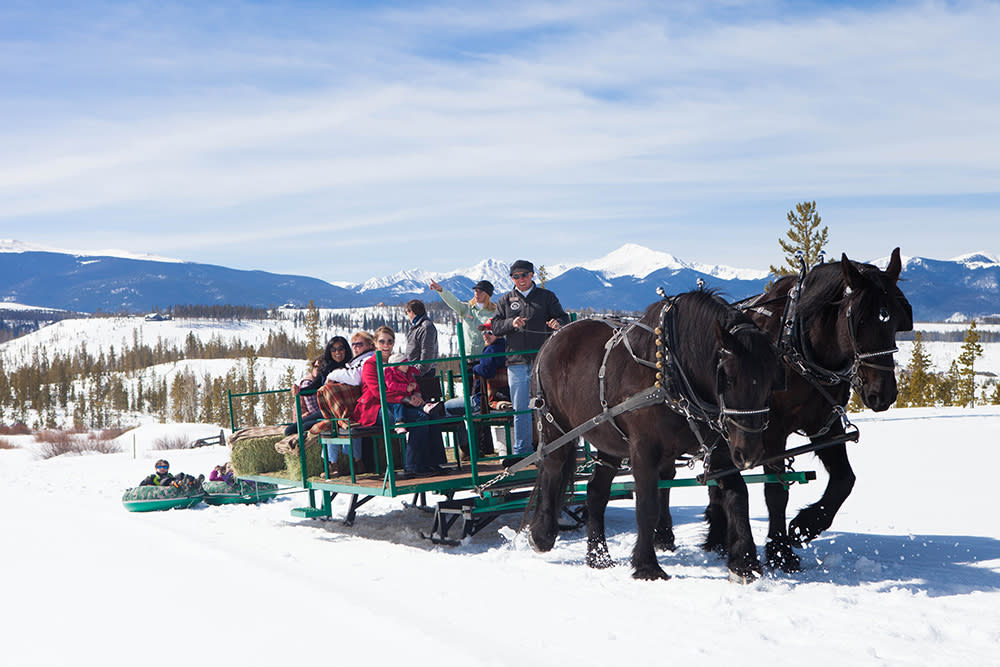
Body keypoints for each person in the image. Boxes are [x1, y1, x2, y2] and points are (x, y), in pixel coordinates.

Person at [491, 259, 570, 464]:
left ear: (532, 275)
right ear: (511, 279)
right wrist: (511, 323)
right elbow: (496, 326)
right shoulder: (505, 300)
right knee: (521, 409)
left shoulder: (546, 297)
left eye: (524, 275)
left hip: (543, 360)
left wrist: (557, 323)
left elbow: (563, 318)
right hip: (516, 361)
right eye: (515, 276)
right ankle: (522, 451)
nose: (520, 280)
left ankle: (550, 447)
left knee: (548, 406)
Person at [353, 326, 446, 478]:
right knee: (419, 417)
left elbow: (410, 379)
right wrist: (406, 398)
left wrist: (416, 394)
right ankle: (413, 465)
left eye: (389, 341)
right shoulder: (371, 365)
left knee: (432, 414)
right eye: (382, 341)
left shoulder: (397, 361)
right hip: (376, 408)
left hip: (400, 405)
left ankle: (433, 462)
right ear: (375, 343)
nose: (386, 345)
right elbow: (378, 392)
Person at [444, 327, 507, 458]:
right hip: (500, 396)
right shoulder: (506, 348)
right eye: (484, 332)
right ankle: (471, 448)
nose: (485, 335)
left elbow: (486, 370)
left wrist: (475, 368)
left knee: (446, 407)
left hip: (483, 400)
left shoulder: (491, 350)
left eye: (490, 332)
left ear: (499, 334)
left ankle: (467, 448)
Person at [320, 331, 376, 477]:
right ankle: (349, 461)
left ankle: (339, 462)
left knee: (336, 422)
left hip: (362, 404)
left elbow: (356, 378)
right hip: (348, 405)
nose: (356, 347)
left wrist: (332, 376)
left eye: (360, 344)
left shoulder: (367, 359)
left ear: (370, 345)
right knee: (334, 421)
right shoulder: (353, 362)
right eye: (354, 344)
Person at [283, 337, 353, 436]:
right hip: (326, 410)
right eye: (333, 349)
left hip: (341, 412)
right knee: (290, 430)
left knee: (305, 428)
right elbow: (315, 386)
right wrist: (300, 390)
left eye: (341, 349)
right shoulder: (326, 368)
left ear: (346, 350)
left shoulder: (350, 367)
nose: (337, 352)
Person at [428, 279, 496, 357]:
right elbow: (454, 302)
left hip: (485, 355)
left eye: (480, 292)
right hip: (467, 355)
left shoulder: (494, 313)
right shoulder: (467, 308)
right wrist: (441, 290)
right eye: (476, 291)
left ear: (487, 295)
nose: (477, 294)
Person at [404, 299, 438, 377]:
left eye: (407, 312)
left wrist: (417, 372)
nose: (407, 315)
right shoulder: (416, 326)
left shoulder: (425, 327)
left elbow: (427, 352)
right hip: (415, 369)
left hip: (423, 373)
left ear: (412, 312)